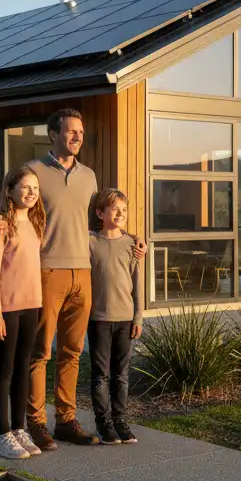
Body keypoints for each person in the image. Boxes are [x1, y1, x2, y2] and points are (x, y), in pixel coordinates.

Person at [0, 108, 146, 452]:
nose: (77, 138)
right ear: (53, 134)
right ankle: (36, 423)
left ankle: (66, 421)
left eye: (81, 134)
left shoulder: (89, 177)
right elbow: (12, 204)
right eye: (71, 132)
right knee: (40, 351)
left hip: (83, 272)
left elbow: (99, 219)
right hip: (46, 272)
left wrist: (132, 237)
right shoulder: (36, 172)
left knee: (72, 352)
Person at [0, 165, 46, 460]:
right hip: (7, 308)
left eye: (35, 188)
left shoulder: (35, 223)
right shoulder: (0, 225)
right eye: (25, 187)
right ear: (10, 190)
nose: (31, 193)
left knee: (23, 368)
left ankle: (20, 429)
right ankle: (2, 435)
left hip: (31, 305)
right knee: (5, 369)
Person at [88, 188, 142, 445]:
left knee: (121, 373)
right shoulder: (90, 241)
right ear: (100, 213)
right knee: (101, 374)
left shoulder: (132, 245)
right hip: (98, 318)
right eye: (114, 209)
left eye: (124, 210)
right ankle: (104, 424)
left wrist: (138, 317)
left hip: (125, 319)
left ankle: (120, 421)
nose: (120, 214)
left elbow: (137, 282)